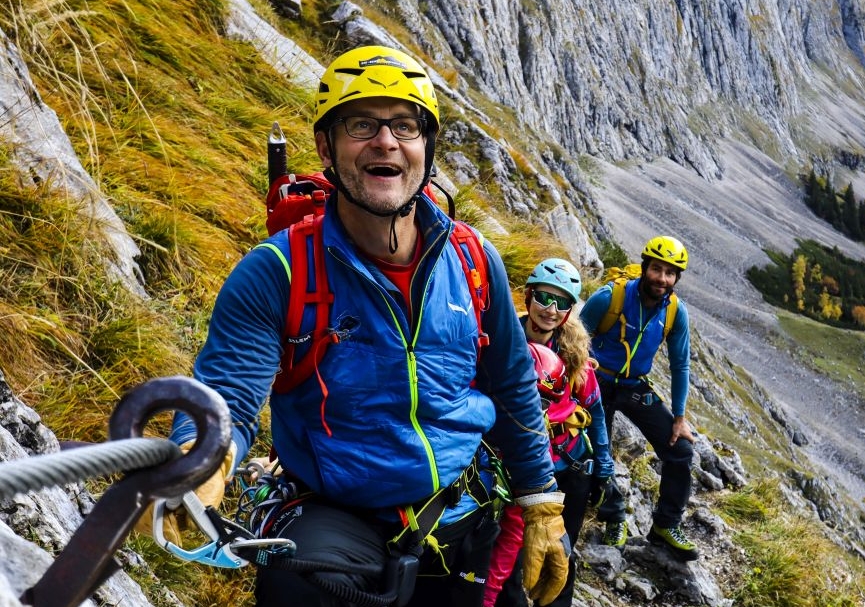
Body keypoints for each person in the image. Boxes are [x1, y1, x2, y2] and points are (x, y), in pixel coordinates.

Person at [161, 45, 570, 607]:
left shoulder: (474, 262)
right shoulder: (280, 271)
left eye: (405, 125)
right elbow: (228, 387)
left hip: (463, 508)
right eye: (362, 124)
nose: (386, 141)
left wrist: (540, 498)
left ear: (427, 147)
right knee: (292, 588)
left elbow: (511, 382)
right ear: (326, 146)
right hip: (338, 517)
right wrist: (202, 453)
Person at [485, 258, 615, 607]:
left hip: (564, 468)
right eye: (544, 297)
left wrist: (604, 468)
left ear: (571, 310)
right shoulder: (500, 338)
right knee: (507, 553)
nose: (551, 309)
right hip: (507, 467)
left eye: (562, 303)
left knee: (560, 553)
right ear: (528, 296)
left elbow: (596, 411)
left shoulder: (575, 358)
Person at [579, 236, 698, 561]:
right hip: (595, 382)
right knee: (592, 452)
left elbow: (680, 364)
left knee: (680, 451)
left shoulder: (675, 313)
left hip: (634, 385)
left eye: (670, 273)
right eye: (657, 269)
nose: (662, 278)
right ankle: (614, 515)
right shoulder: (610, 297)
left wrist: (679, 417)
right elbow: (574, 338)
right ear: (645, 268)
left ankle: (665, 525)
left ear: (676, 279)